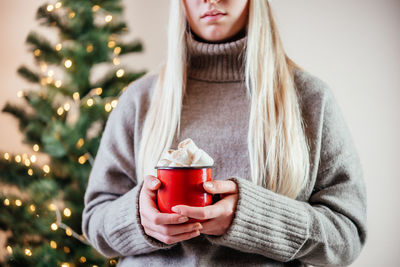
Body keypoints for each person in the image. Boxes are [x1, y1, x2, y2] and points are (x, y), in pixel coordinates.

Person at [82, 0, 367, 266]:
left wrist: (252, 219)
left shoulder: (310, 99)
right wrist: (139, 219)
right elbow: (95, 220)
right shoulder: (140, 99)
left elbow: (347, 236)